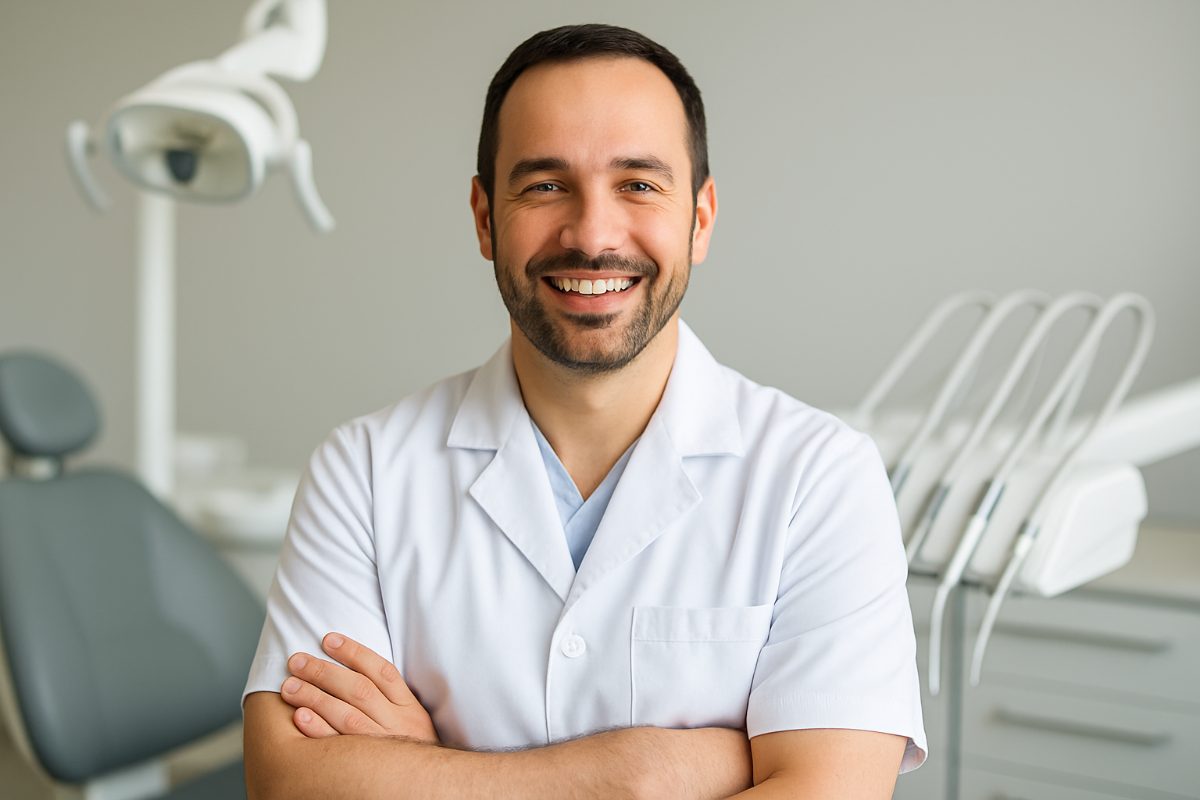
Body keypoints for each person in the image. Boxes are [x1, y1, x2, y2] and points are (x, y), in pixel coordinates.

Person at [242, 23, 926, 799]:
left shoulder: (819, 477)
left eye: (638, 184)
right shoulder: (363, 470)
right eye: (544, 185)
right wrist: (643, 772)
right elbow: (290, 781)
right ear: (483, 217)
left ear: (700, 219)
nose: (593, 235)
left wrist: (430, 771)